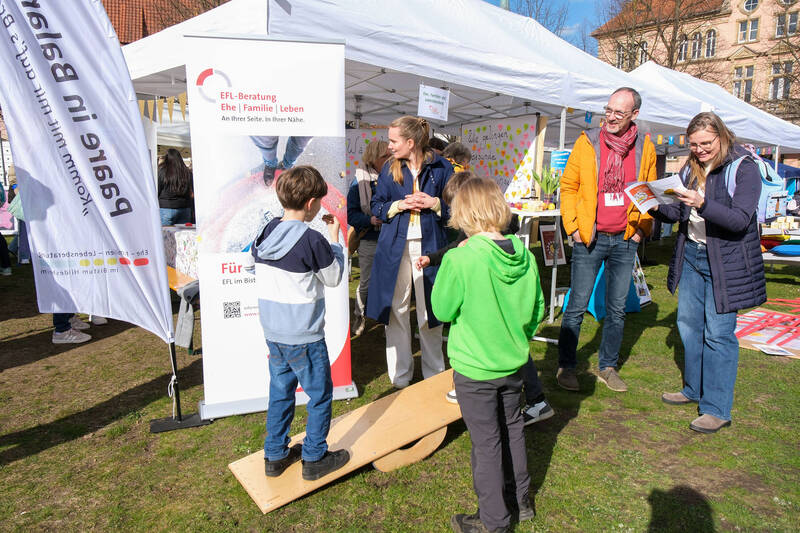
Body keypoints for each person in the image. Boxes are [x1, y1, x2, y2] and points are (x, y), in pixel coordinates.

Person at [431, 178, 544, 533]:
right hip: (512, 364)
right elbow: (537, 310)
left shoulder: (460, 258)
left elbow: (442, 309)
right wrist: (515, 339)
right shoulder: (525, 255)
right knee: (512, 430)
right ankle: (520, 500)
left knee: (487, 443)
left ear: (463, 213)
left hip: (475, 370)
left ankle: (494, 521)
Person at [651, 112, 765, 434]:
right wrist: (654, 205)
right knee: (689, 327)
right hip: (691, 255)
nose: (699, 150)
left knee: (718, 334)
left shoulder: (744, 168)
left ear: (721, 136)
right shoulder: (689, 168)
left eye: (705, 143)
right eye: (693, 144)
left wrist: (702, 204)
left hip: (725, 263)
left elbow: (739, 220)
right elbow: (678, 212)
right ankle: (693, 389)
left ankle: (716, 408)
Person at [416, 171, 554, 424]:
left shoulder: (468, 254)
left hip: (481, 364)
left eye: (456, 207)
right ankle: (535, 399)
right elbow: (537, 308)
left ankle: (535, 398)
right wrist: (435, 258)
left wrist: (451, 263)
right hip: (507, 351)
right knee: (511, 424)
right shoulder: (519, 252)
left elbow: (443, 310)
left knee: (488, 433)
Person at [252, 165, 349, 480]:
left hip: (274, 332)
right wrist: (335, 240)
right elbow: (333, 277)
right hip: (304, 336)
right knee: (319, 396)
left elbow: (256, 262)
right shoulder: (312, 240)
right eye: (319, 201)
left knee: (281, 392)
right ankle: (314, 457)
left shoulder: (266, 231)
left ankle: (275, 455)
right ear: (311, 203)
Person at [557, 87, 657, 393]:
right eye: (608, 110)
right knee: (576, 304)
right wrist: (573, 227)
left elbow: (649, 190)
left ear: (634, 115)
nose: (611, 118)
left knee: (616, 309)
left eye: (619, 113)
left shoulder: (645, 147)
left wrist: (641, 229)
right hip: (590, 237)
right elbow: (568, 186)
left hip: (625, 239)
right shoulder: (587, 141)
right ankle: (566, 366)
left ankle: (608, 366)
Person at [366, 116, 453, 389]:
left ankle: (433, 374)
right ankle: (400, 377)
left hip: (431, 248)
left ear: (411, 142)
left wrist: (435, 203)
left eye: (393, 141)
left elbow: (457, 209)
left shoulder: (442, 167)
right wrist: (398, 206)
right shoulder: (389, 168)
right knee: (396, 310)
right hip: (395, 248)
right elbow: (376, 206)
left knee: (431, 311)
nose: (389, 146)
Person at [347, 140, 390, 337]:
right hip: (369, 238)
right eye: (385, 156)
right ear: (373, 158)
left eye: (390, 155)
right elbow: (351, 214)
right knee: (366, 282)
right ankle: (359, 316)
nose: (389, 159)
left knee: (390, 281)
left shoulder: (395, 176)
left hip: (391, 238)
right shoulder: (359, 181)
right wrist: (370, 219)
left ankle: (387, 321)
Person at [157, 149, 194, 226]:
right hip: (184, 208)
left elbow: (158, 189)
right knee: (182, 233)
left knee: (165, 232)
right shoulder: (187, 172)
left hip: (167, 207)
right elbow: (191, 191)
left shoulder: (162, 171)